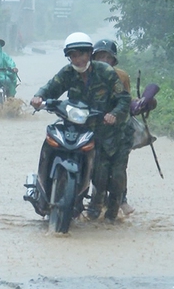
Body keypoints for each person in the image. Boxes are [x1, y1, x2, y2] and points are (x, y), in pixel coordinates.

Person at [30, 32, 131, 222]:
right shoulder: (67, 73)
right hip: (80, 128)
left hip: (110, 133)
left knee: (109, 177)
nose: (77, 59)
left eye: (81, 54)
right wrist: (38, 97)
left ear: (89, 54)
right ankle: (44, 191)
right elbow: (51, 87)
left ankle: (109, 218)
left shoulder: (106, 73)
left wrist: (113, 115)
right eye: (73, 56)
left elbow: (124, 100)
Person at [92, 39, 136, 216]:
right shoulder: (88, 76)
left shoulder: (121, 77)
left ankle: (119, 202)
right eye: (100, 57)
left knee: (118, 172)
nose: (103, 61)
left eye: (107, 57)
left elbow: (126, 100)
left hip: (118, 130)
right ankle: (92, 202)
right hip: (96, 128)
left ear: (113, 60)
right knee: (98, 171)